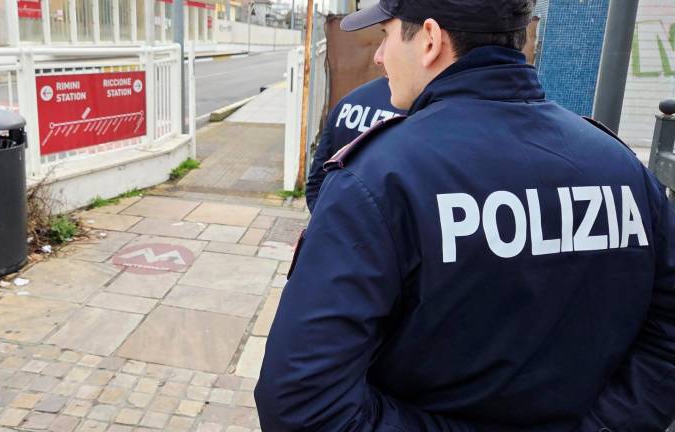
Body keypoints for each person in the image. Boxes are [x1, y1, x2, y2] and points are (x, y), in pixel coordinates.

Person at [255, 0, 675, 430]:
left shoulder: (380, 179)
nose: (380, 57)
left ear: (431, 40)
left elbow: (301, 403)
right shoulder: (622, 168)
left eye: (386, 37)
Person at [306, 77, 405, 212]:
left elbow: (316, 179)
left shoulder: (349, 101)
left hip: (334, 219)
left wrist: (323, 222)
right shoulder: (421, 111)